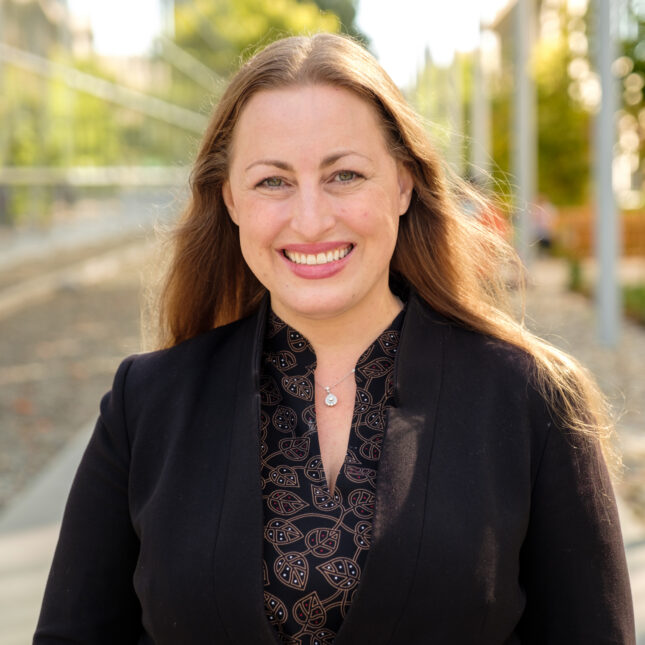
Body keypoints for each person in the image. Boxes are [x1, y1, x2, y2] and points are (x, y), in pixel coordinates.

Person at [35, 33, 634, 644]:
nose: (312, 218)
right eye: (273, 181)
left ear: (403, 185)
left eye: (345, 174)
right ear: (231, 199)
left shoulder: (533, 399)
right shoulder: (146, 404)